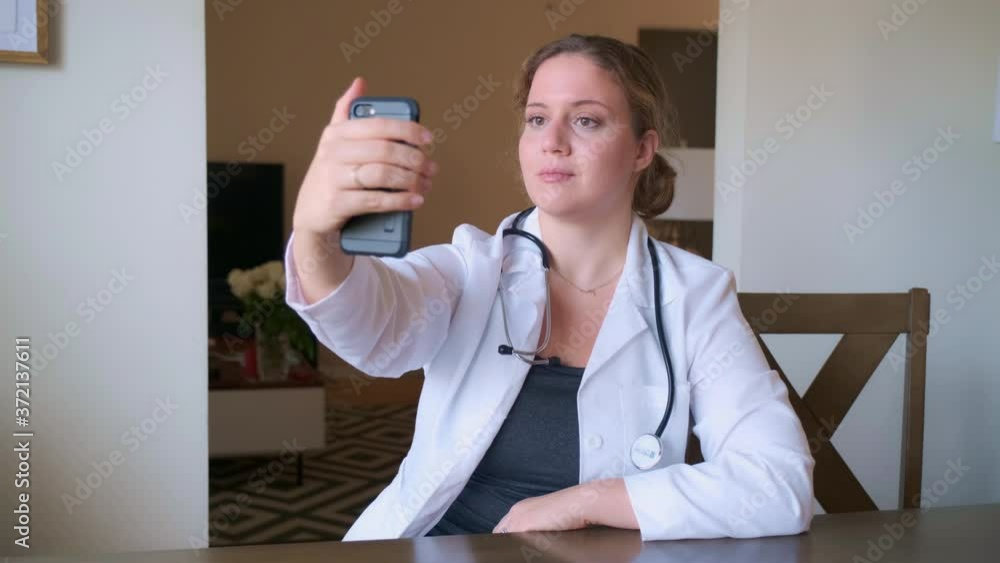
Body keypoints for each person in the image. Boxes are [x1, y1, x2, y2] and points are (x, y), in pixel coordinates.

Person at [285, 34, 814, 542]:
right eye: (537, 119)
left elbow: (778, 484)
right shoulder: (471, 267)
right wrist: (315, 234)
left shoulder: (696, 295)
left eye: (586, 120)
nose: (552, 142)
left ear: (642, 149)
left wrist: (585, 502)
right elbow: (372, 327)